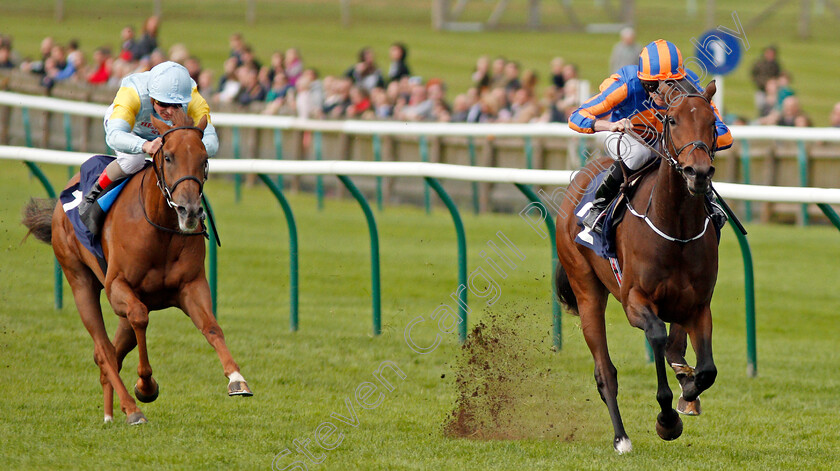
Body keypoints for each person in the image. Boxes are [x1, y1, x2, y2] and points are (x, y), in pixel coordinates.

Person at [569, 39, 733, 233]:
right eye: (651, 84)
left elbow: (724, 135)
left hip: (667, 141)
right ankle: (600, 206)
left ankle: (709, 202)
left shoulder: (691, 87)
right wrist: (610, 125)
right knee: (639, 153)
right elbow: (576, 117)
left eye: (669, 84)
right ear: (641, 80)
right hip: (626, 136)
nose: (660, 92)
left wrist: (695, 142)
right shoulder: (626, 83)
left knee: (691, 157)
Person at [77, 61, 219, 234]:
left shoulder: (193, 99)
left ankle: (187, 207)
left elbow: (212, 142)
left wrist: (192, 148)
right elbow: (114, 135)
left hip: (166, 135)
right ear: (151, 97)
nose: (170, 111)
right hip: (131, 129)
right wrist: (144, 145)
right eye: (163, 104)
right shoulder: (132, 93)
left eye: (177, 106)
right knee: (133, 161)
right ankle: (94, 194)